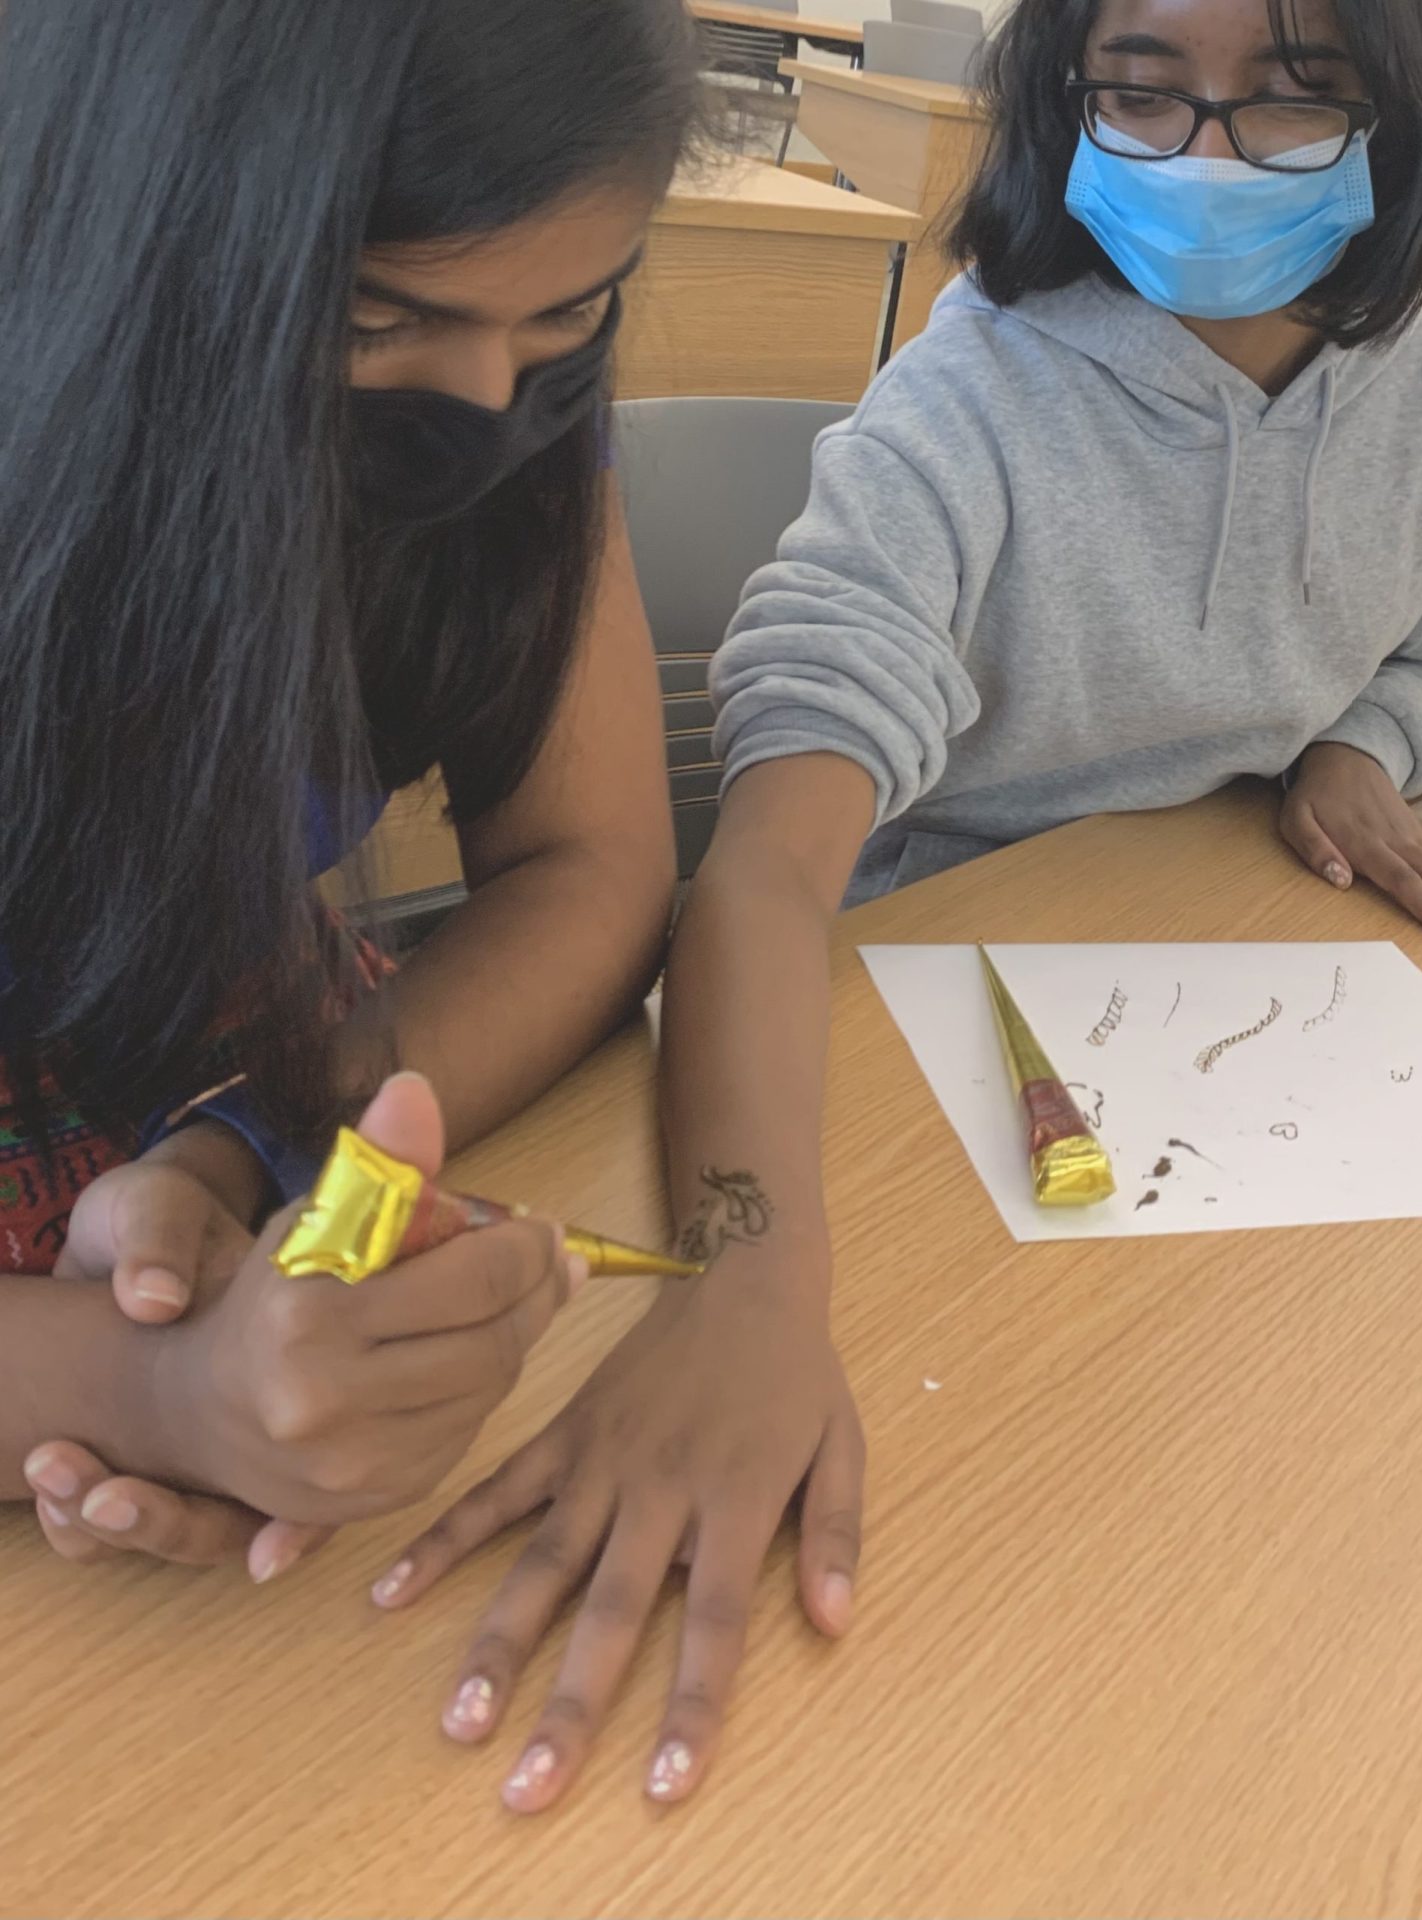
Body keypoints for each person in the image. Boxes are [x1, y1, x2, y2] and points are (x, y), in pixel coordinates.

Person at [334, 0, 1422, 1808]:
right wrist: (752, 1271)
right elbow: (760, 870)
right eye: (1143, 93)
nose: (1208, 156)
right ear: (1066, 101)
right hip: (922, 1032)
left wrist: (1361, 747)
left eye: (1293, 104)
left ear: (1401, 129)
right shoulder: (971, 401)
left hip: (1245, 1013)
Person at [8, 0, 866, 1818]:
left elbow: (596, 862)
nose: (491, 407)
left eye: (568, 318)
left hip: (243, 1059)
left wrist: (258, 1142)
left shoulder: (506, 414)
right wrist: (150, 1391)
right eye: (381, 318)